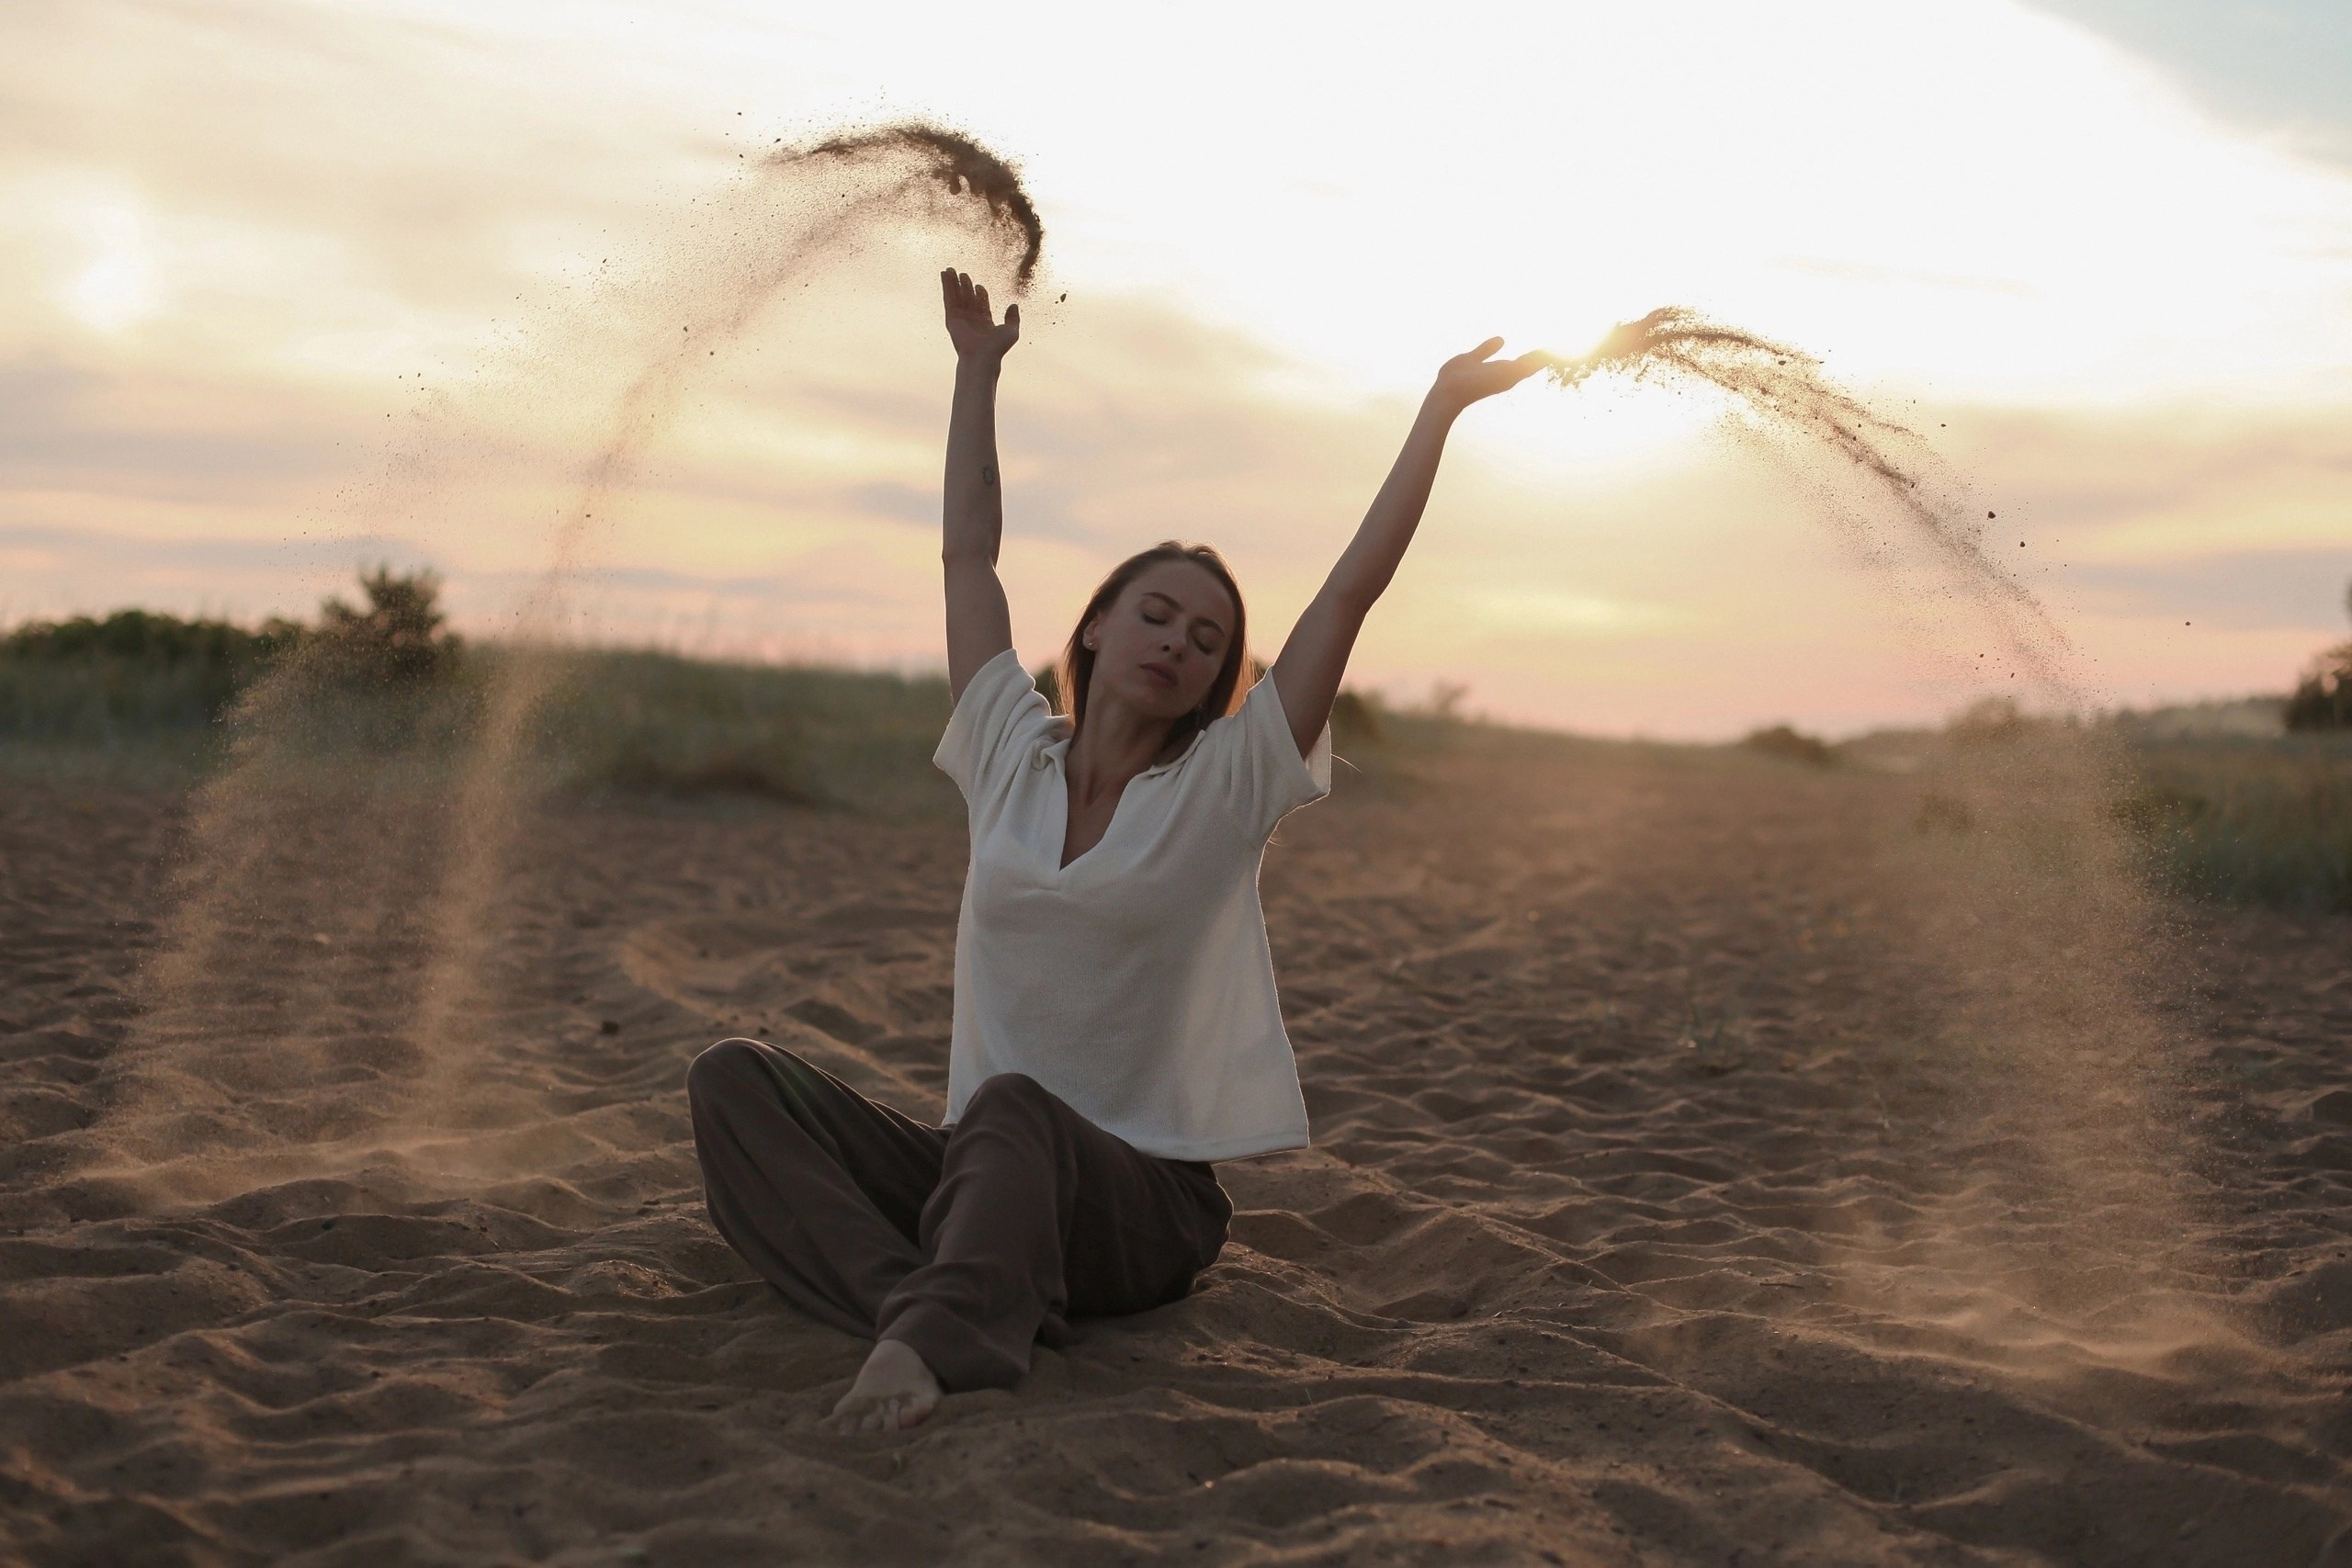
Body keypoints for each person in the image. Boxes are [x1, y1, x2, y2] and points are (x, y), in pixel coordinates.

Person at [685, 268, 1550, 1434]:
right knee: (736, 1076)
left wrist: (1437, 410)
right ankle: (919, 1305)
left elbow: (1348, 594)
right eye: (1155, 614)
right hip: (984, 1179)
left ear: (1217, 679)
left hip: (1139, 1203)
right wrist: (976, 373)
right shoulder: (1006, 750)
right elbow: (967, 560)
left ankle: (935, 1331)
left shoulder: (1224, 786)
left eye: (1207, 639)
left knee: (1012, 1111)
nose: (1179, 643)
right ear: (1094, 624)